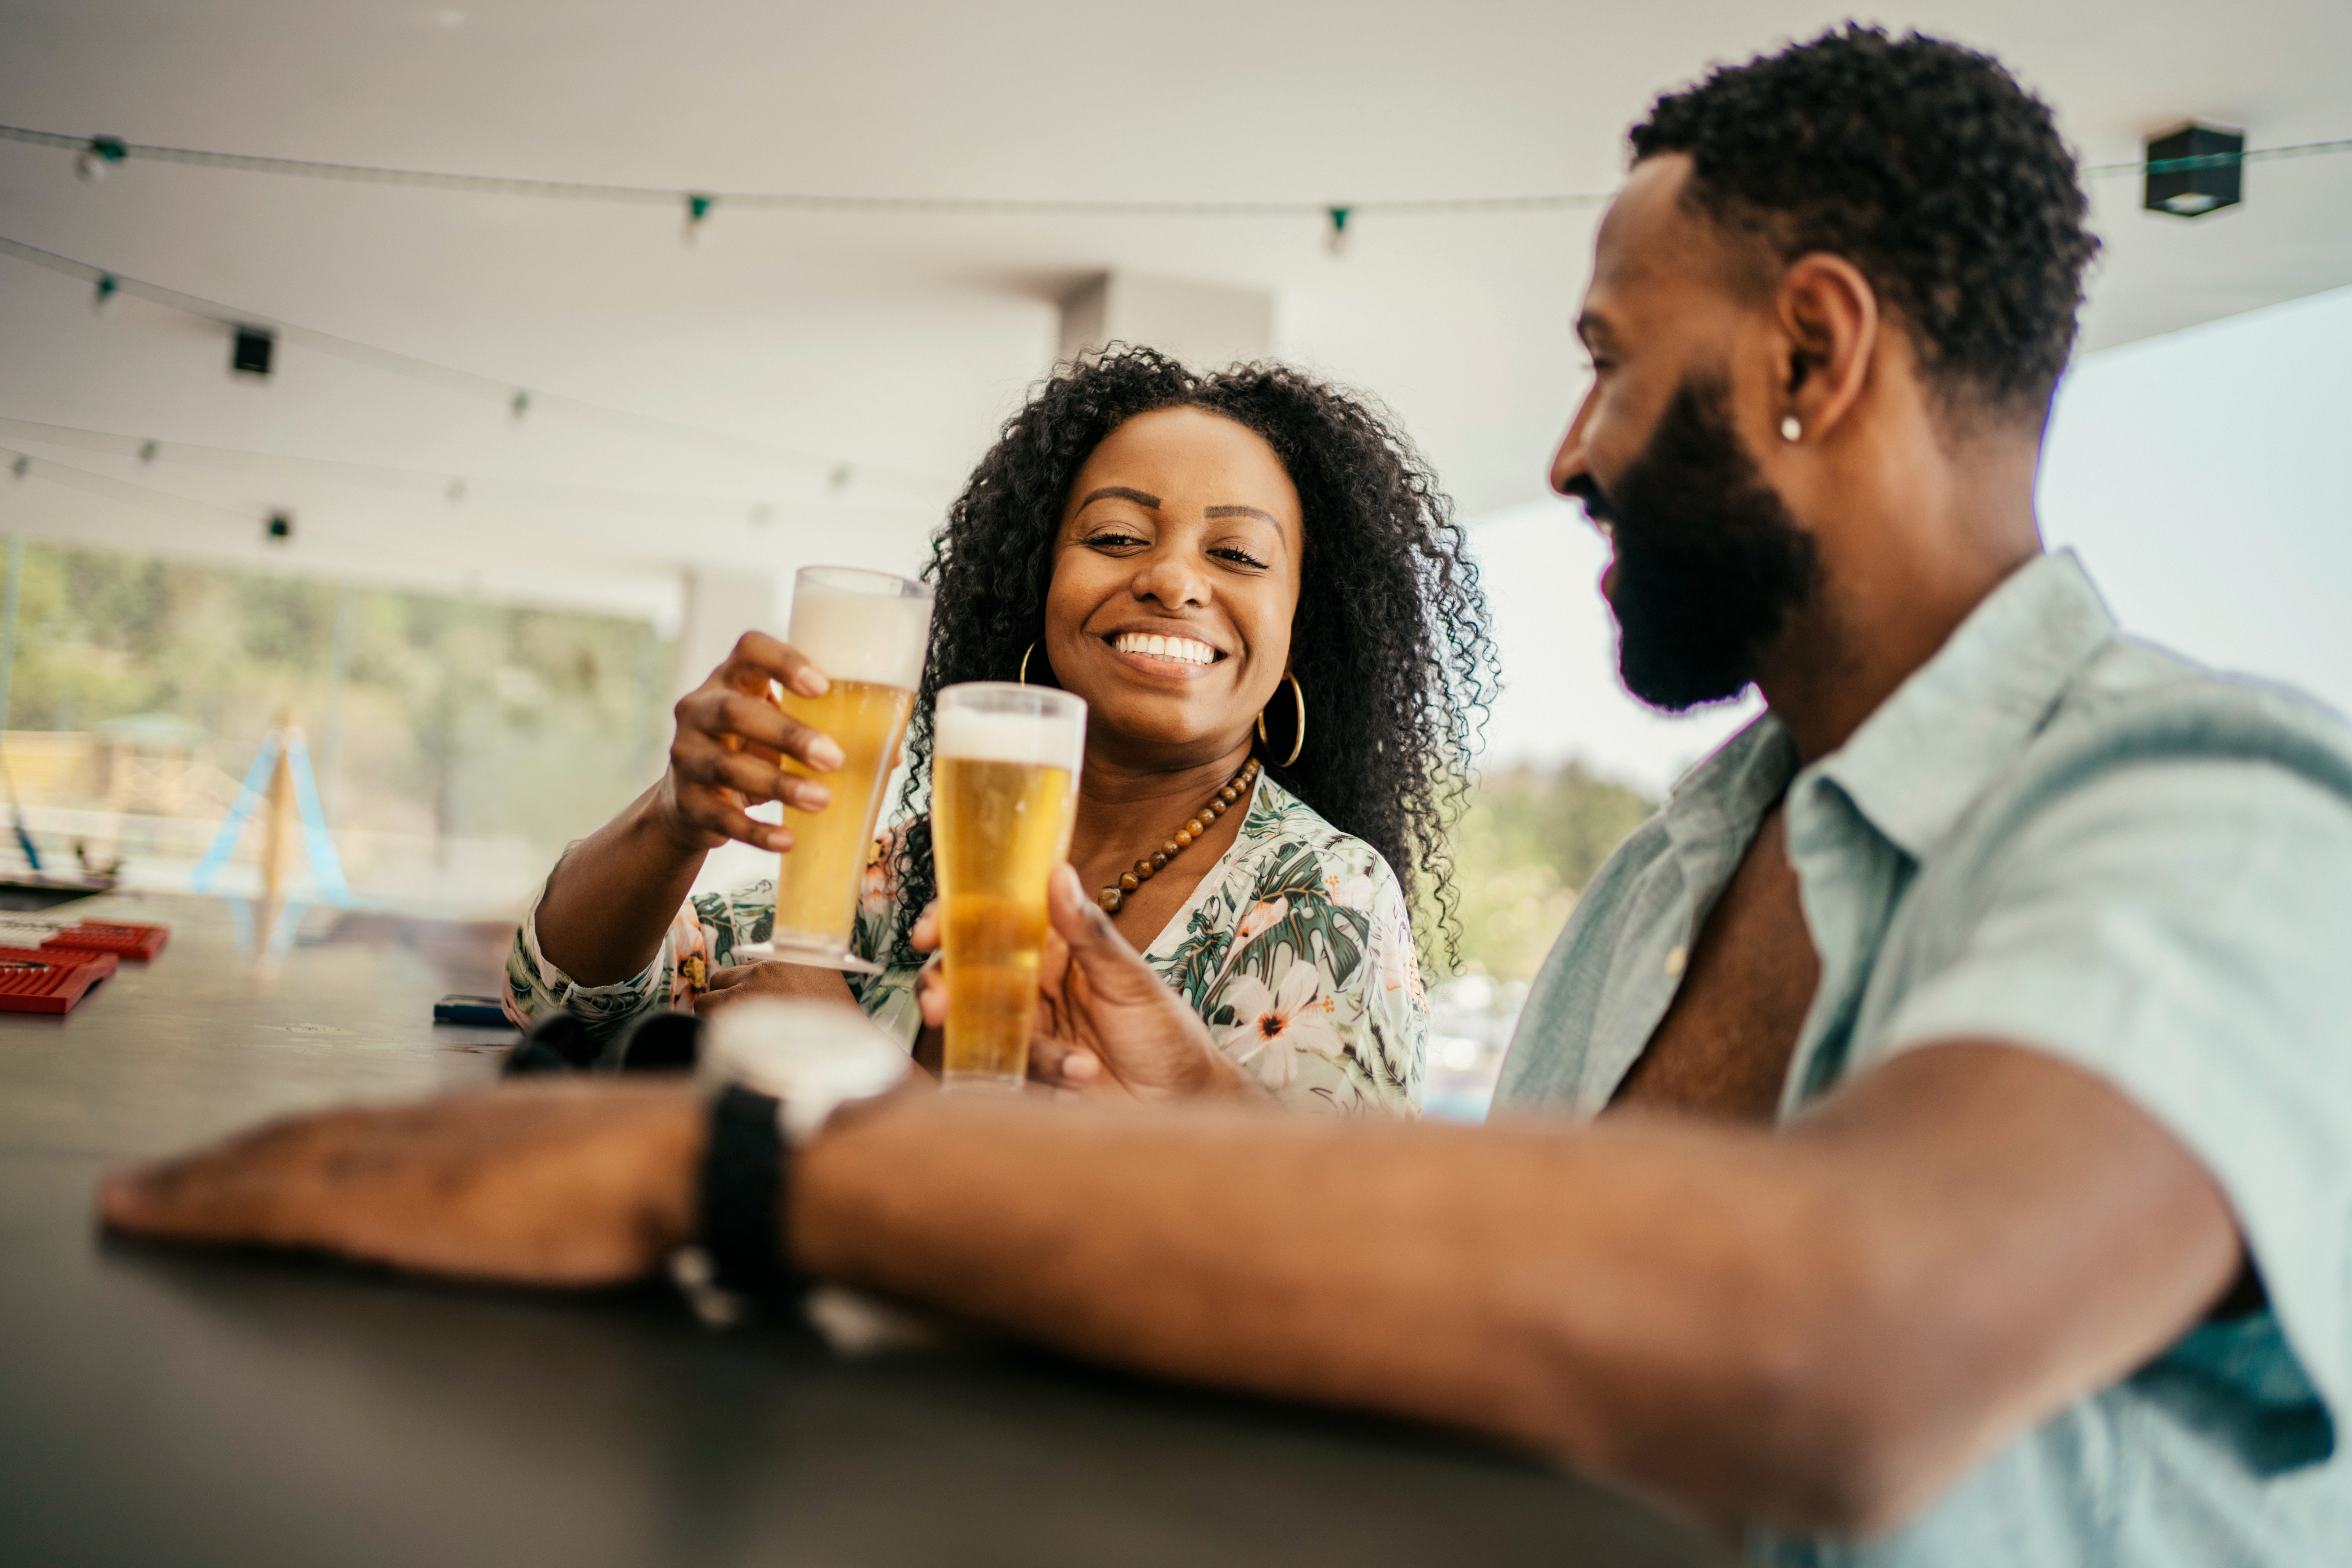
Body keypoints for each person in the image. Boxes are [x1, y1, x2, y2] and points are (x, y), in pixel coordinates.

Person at [97, 28, 2352, 1565]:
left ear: (1808, 354)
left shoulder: (2211, 803)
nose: (1562, 451)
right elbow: (1535, 1292)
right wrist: (1213, 1113)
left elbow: (1845, 1333)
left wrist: (754, 1174)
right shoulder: (1682, 869)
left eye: (1599, 361)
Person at [511, 348, 1495, 1113]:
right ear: (1040, 589)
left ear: (1299, 634)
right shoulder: (912, 869)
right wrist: (676, 820)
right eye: (1116, 537)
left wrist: (857, 1081)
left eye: (1237, 553)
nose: (1174, 579)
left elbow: (1307, 1249)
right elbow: (560, 996)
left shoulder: (1324, 896)